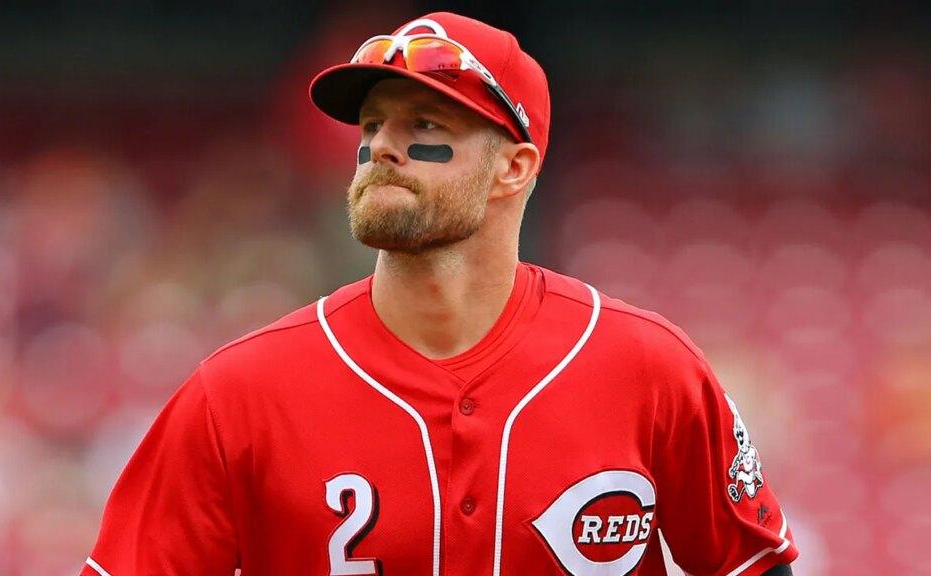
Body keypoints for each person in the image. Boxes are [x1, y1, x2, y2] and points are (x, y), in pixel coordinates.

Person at [81, 12, 799, 576]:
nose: (382, 147)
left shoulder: (648, 370)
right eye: (372, 125)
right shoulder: (237, 394)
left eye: (424, 123)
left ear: (514, 167)